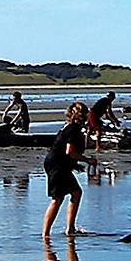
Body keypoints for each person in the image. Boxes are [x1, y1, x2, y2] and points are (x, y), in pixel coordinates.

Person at [41, 101, 88, 245]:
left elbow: (63, 151)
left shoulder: (67, 127)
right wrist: (88, 160)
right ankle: (46, 234)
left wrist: (75, 165)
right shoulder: (74, 129)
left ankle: (69, 228)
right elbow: (70, 151)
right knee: (58, 198)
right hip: (57, 165)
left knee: (75, 193)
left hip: (56, 163)